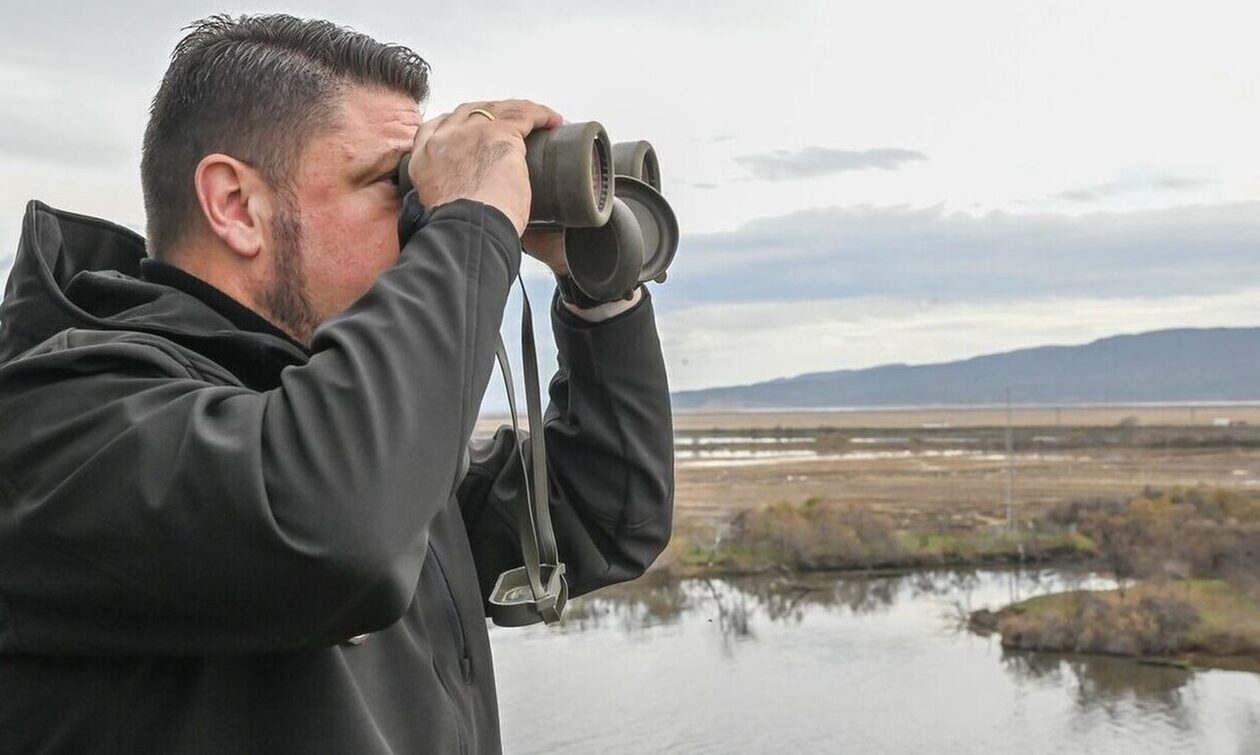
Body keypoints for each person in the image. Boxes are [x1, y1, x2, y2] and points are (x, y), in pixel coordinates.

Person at [0, 14, 673, 754]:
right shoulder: (61, 424)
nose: (419, 222)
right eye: (391, 183)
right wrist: (474, 219)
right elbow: (331, 528)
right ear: (236, 206)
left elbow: (605, 513)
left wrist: (596, 285)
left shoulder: (348, 436)